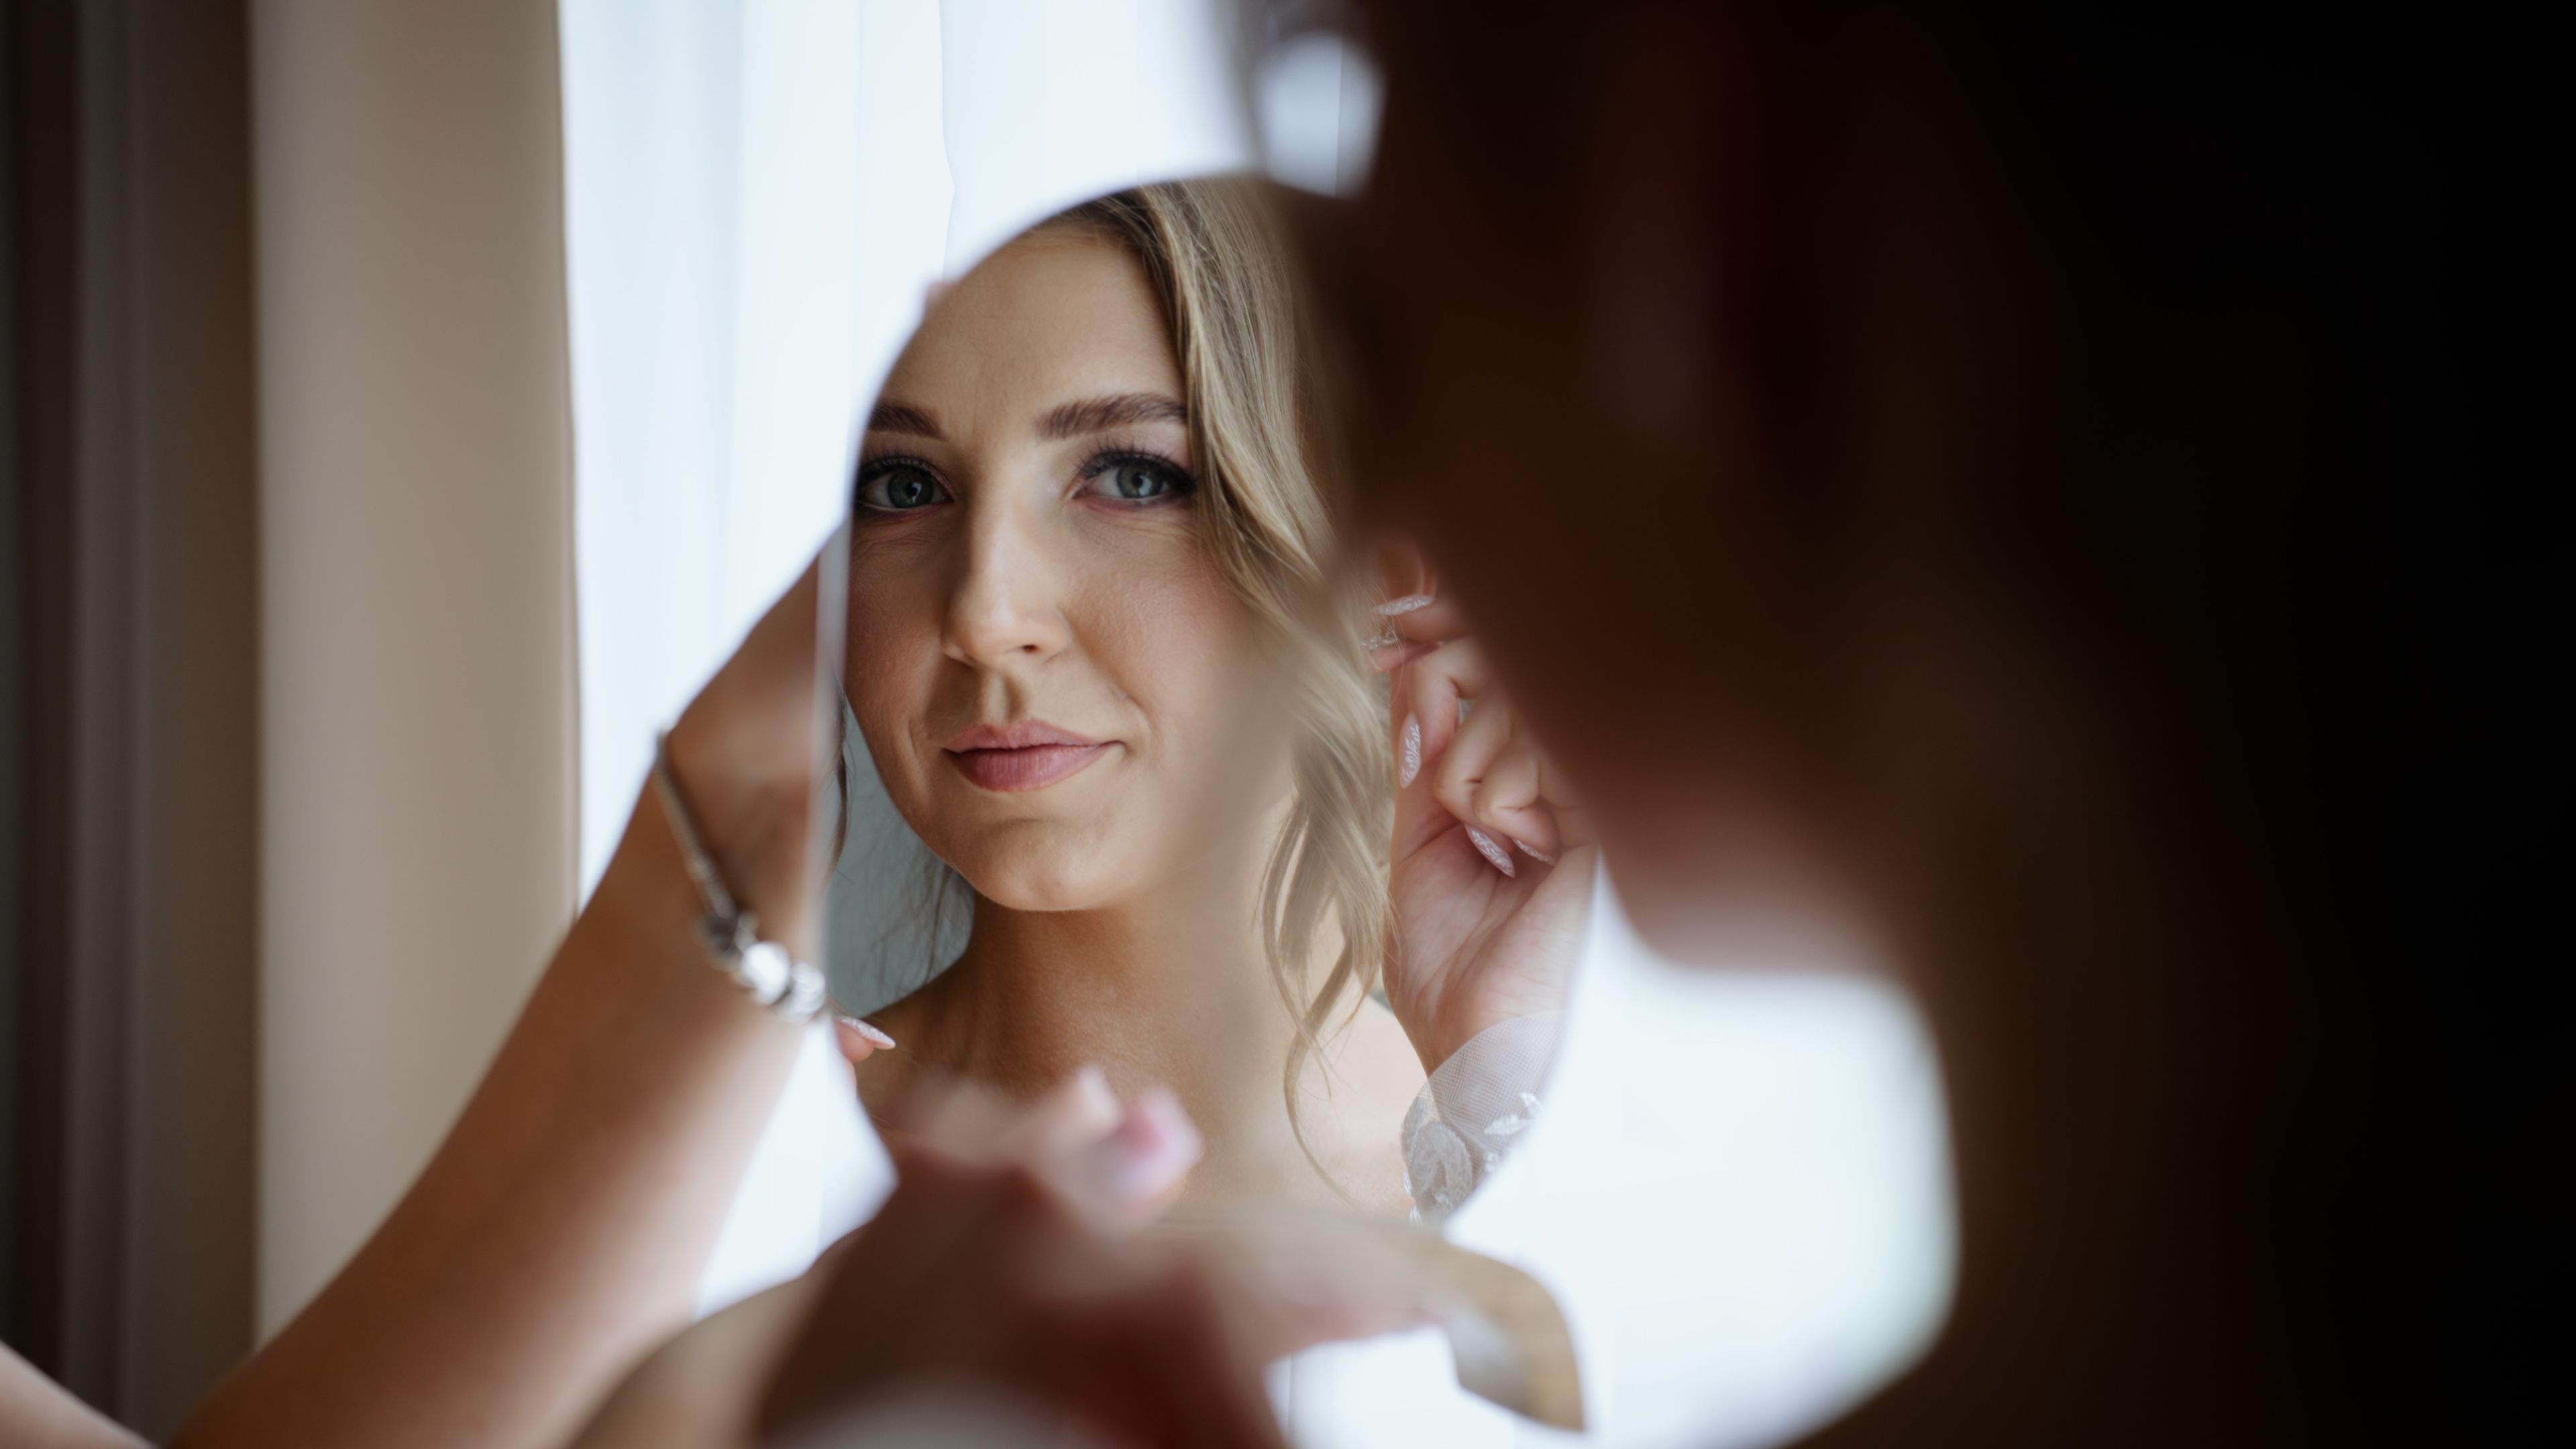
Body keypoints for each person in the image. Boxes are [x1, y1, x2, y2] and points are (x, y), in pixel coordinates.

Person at [829, 179, 1591, 1224]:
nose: (984, 615)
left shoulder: (1567, 1153)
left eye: (1133, 478)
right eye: (903, 488)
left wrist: (1504, 1083)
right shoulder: (753, 1183)